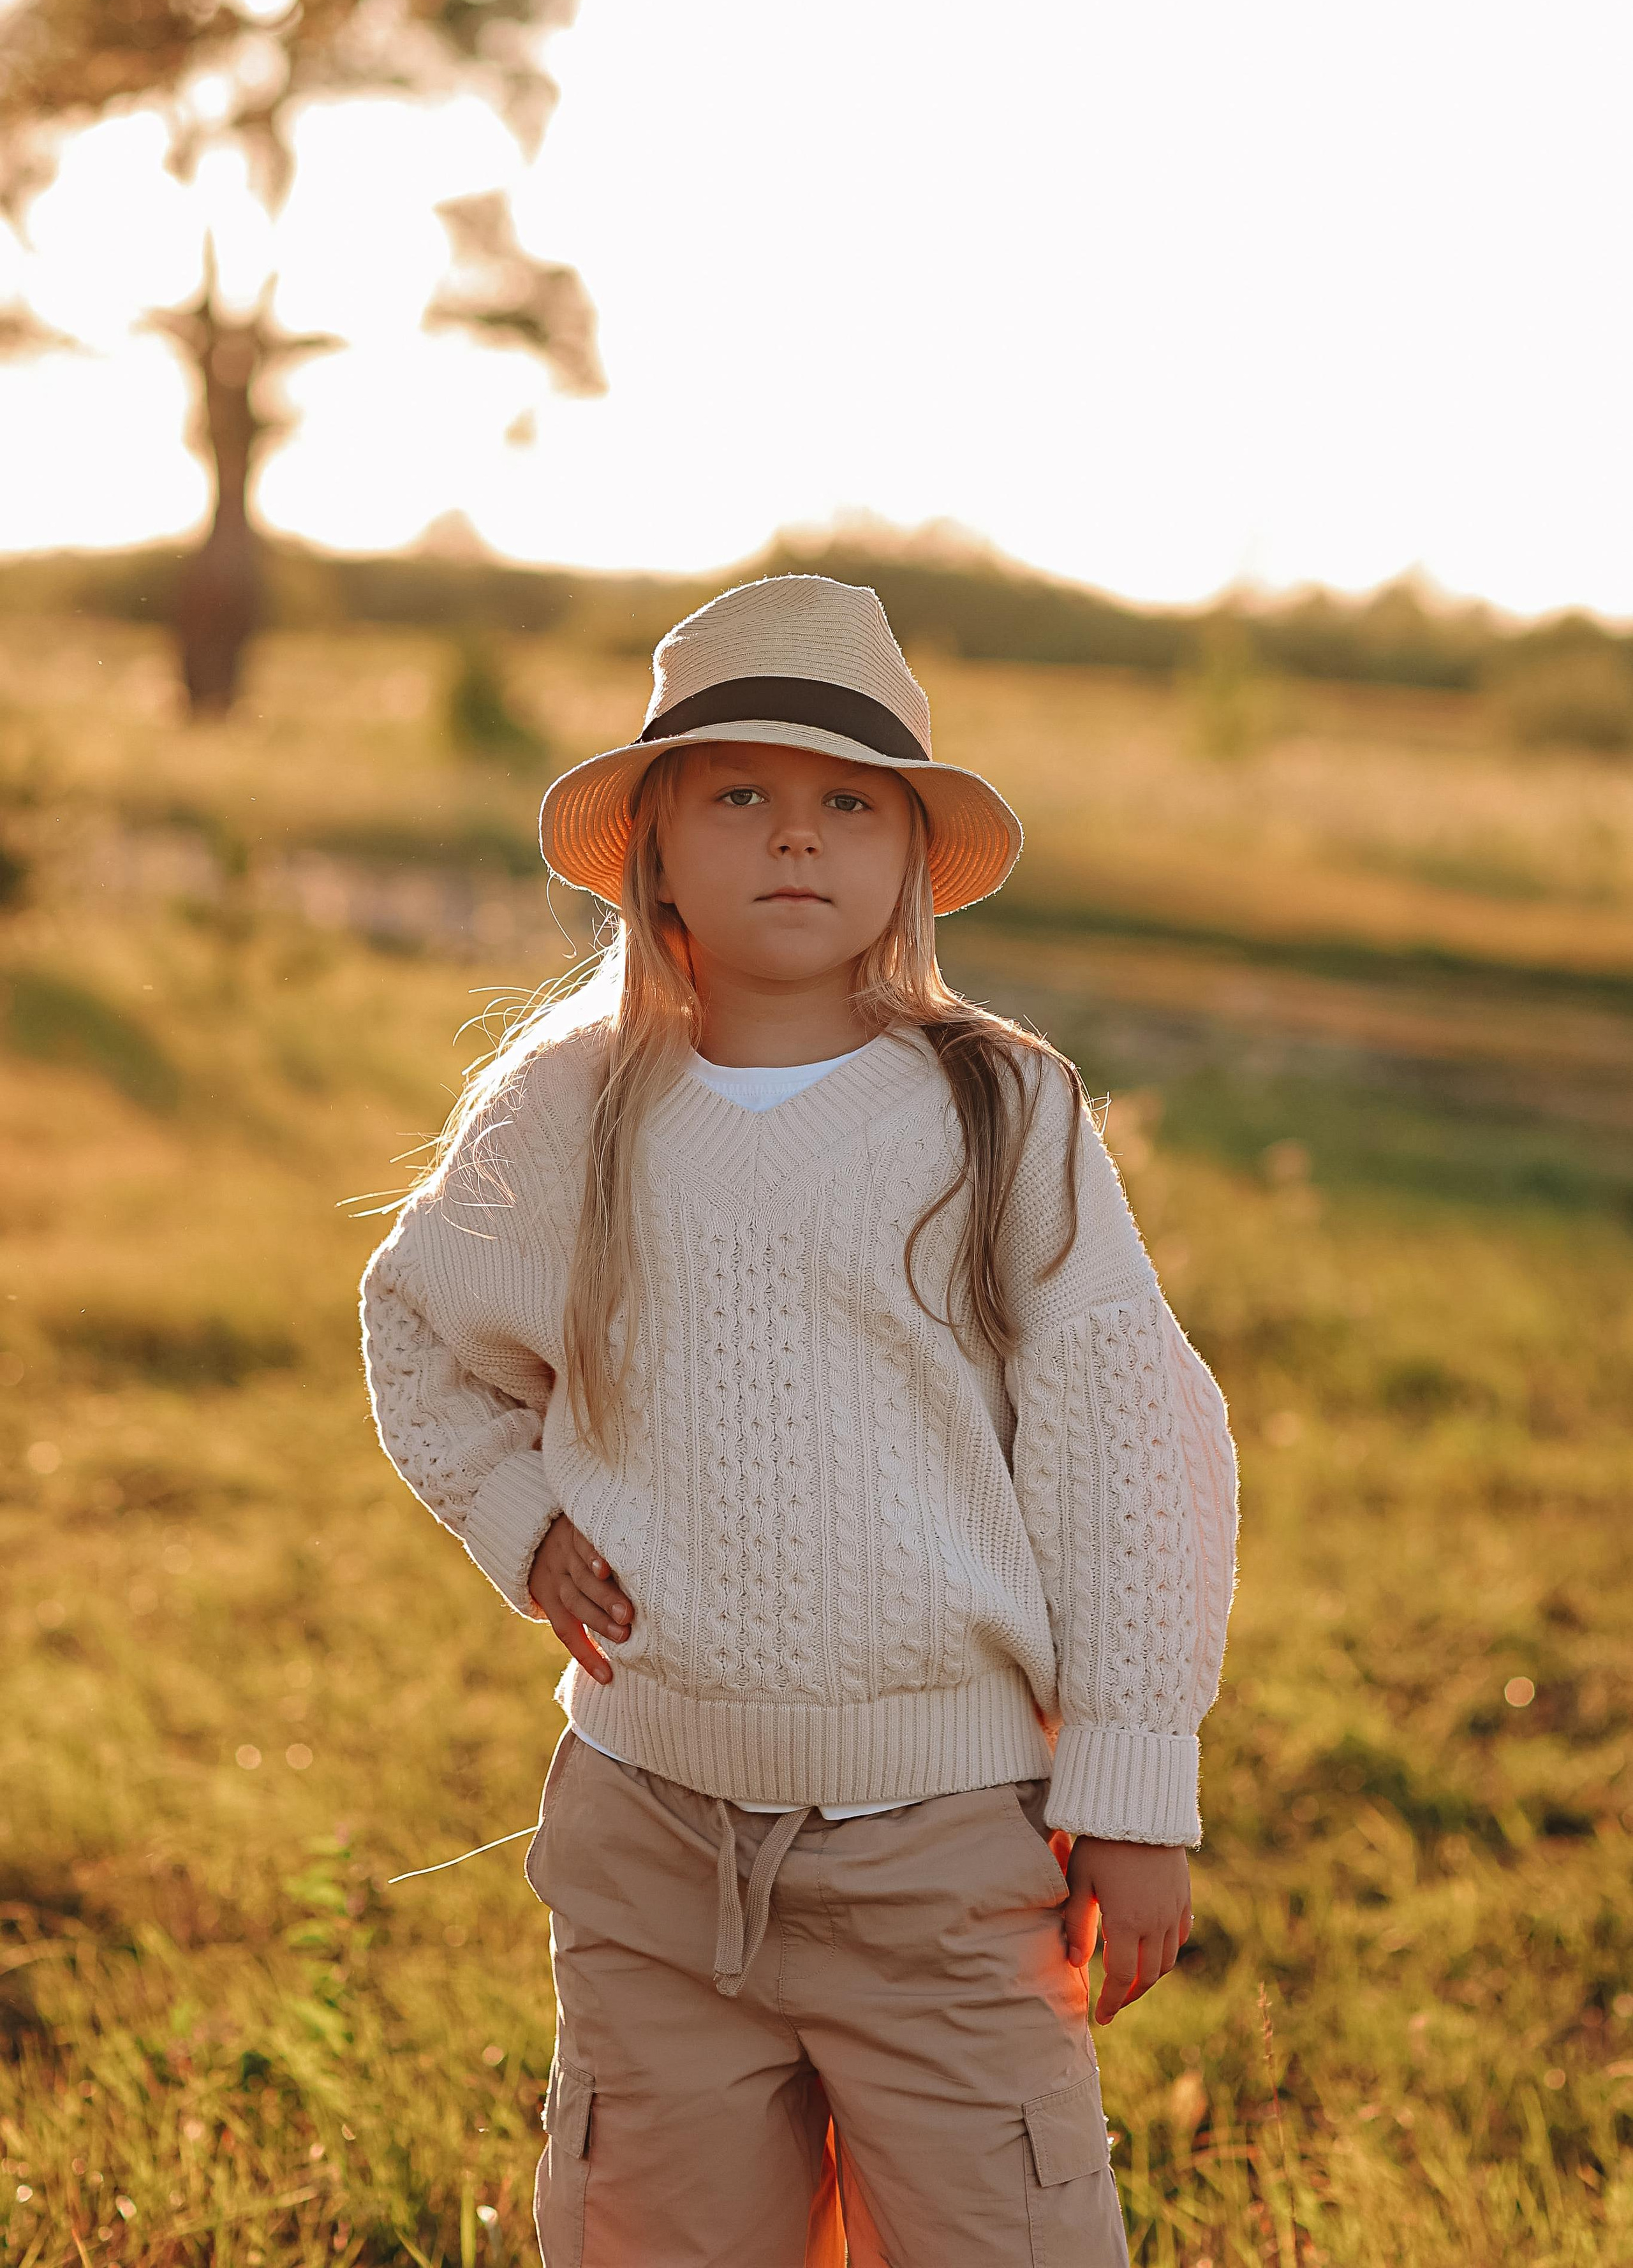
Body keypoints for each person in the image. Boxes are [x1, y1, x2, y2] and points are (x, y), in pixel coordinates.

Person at [361, 575, 1238, 2267]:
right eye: (740, 792)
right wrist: (520, 1515)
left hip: (945, 1848)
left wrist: (1133, 1783)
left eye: (849, 801)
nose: (796, 836)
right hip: (650, 1837)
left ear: (911, 852)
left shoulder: (997, 1109)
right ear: (656, 842)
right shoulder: (572, 1104)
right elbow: (419, 1331)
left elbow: (1127, 1436)